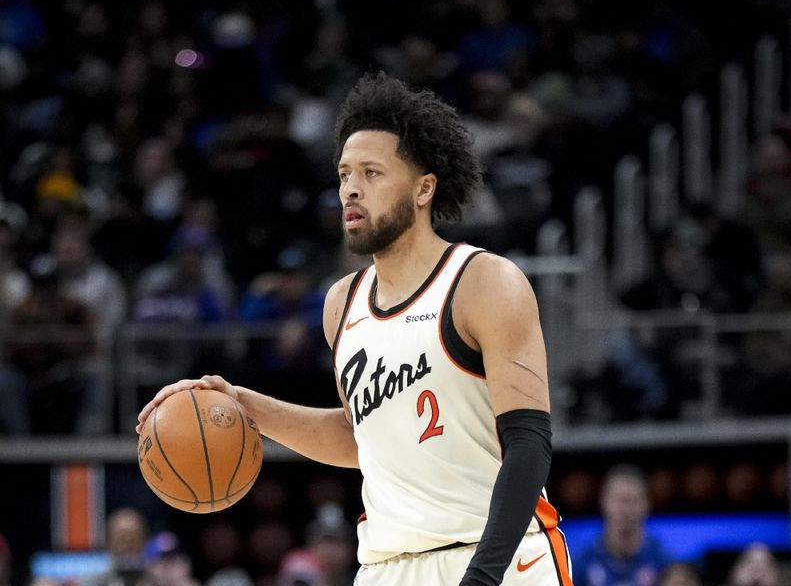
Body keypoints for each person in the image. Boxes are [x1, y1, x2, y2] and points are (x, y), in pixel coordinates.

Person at [137, 71, 570, 586]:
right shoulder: (341, 304)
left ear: (424, 187)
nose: (351, 190)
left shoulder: (485, 282)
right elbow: (360, 437)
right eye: (344, 175)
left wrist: (483, 576)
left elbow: (528, 443)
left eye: (372, 173)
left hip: (499, 557)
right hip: (386, 565)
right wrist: (242, 404)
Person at [572, 465, 671, 586]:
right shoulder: (580, 564)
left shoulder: (663, 563)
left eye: (633, 501)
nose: (626, 509)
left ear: (647, 504)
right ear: (603, 501)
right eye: (619, 500)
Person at [78, 507, 149, 586]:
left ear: (144, 541)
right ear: (108, 542)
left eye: (132, 540)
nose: (127, 546)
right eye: (122, 539)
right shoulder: (92, 581)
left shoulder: (155, 578)